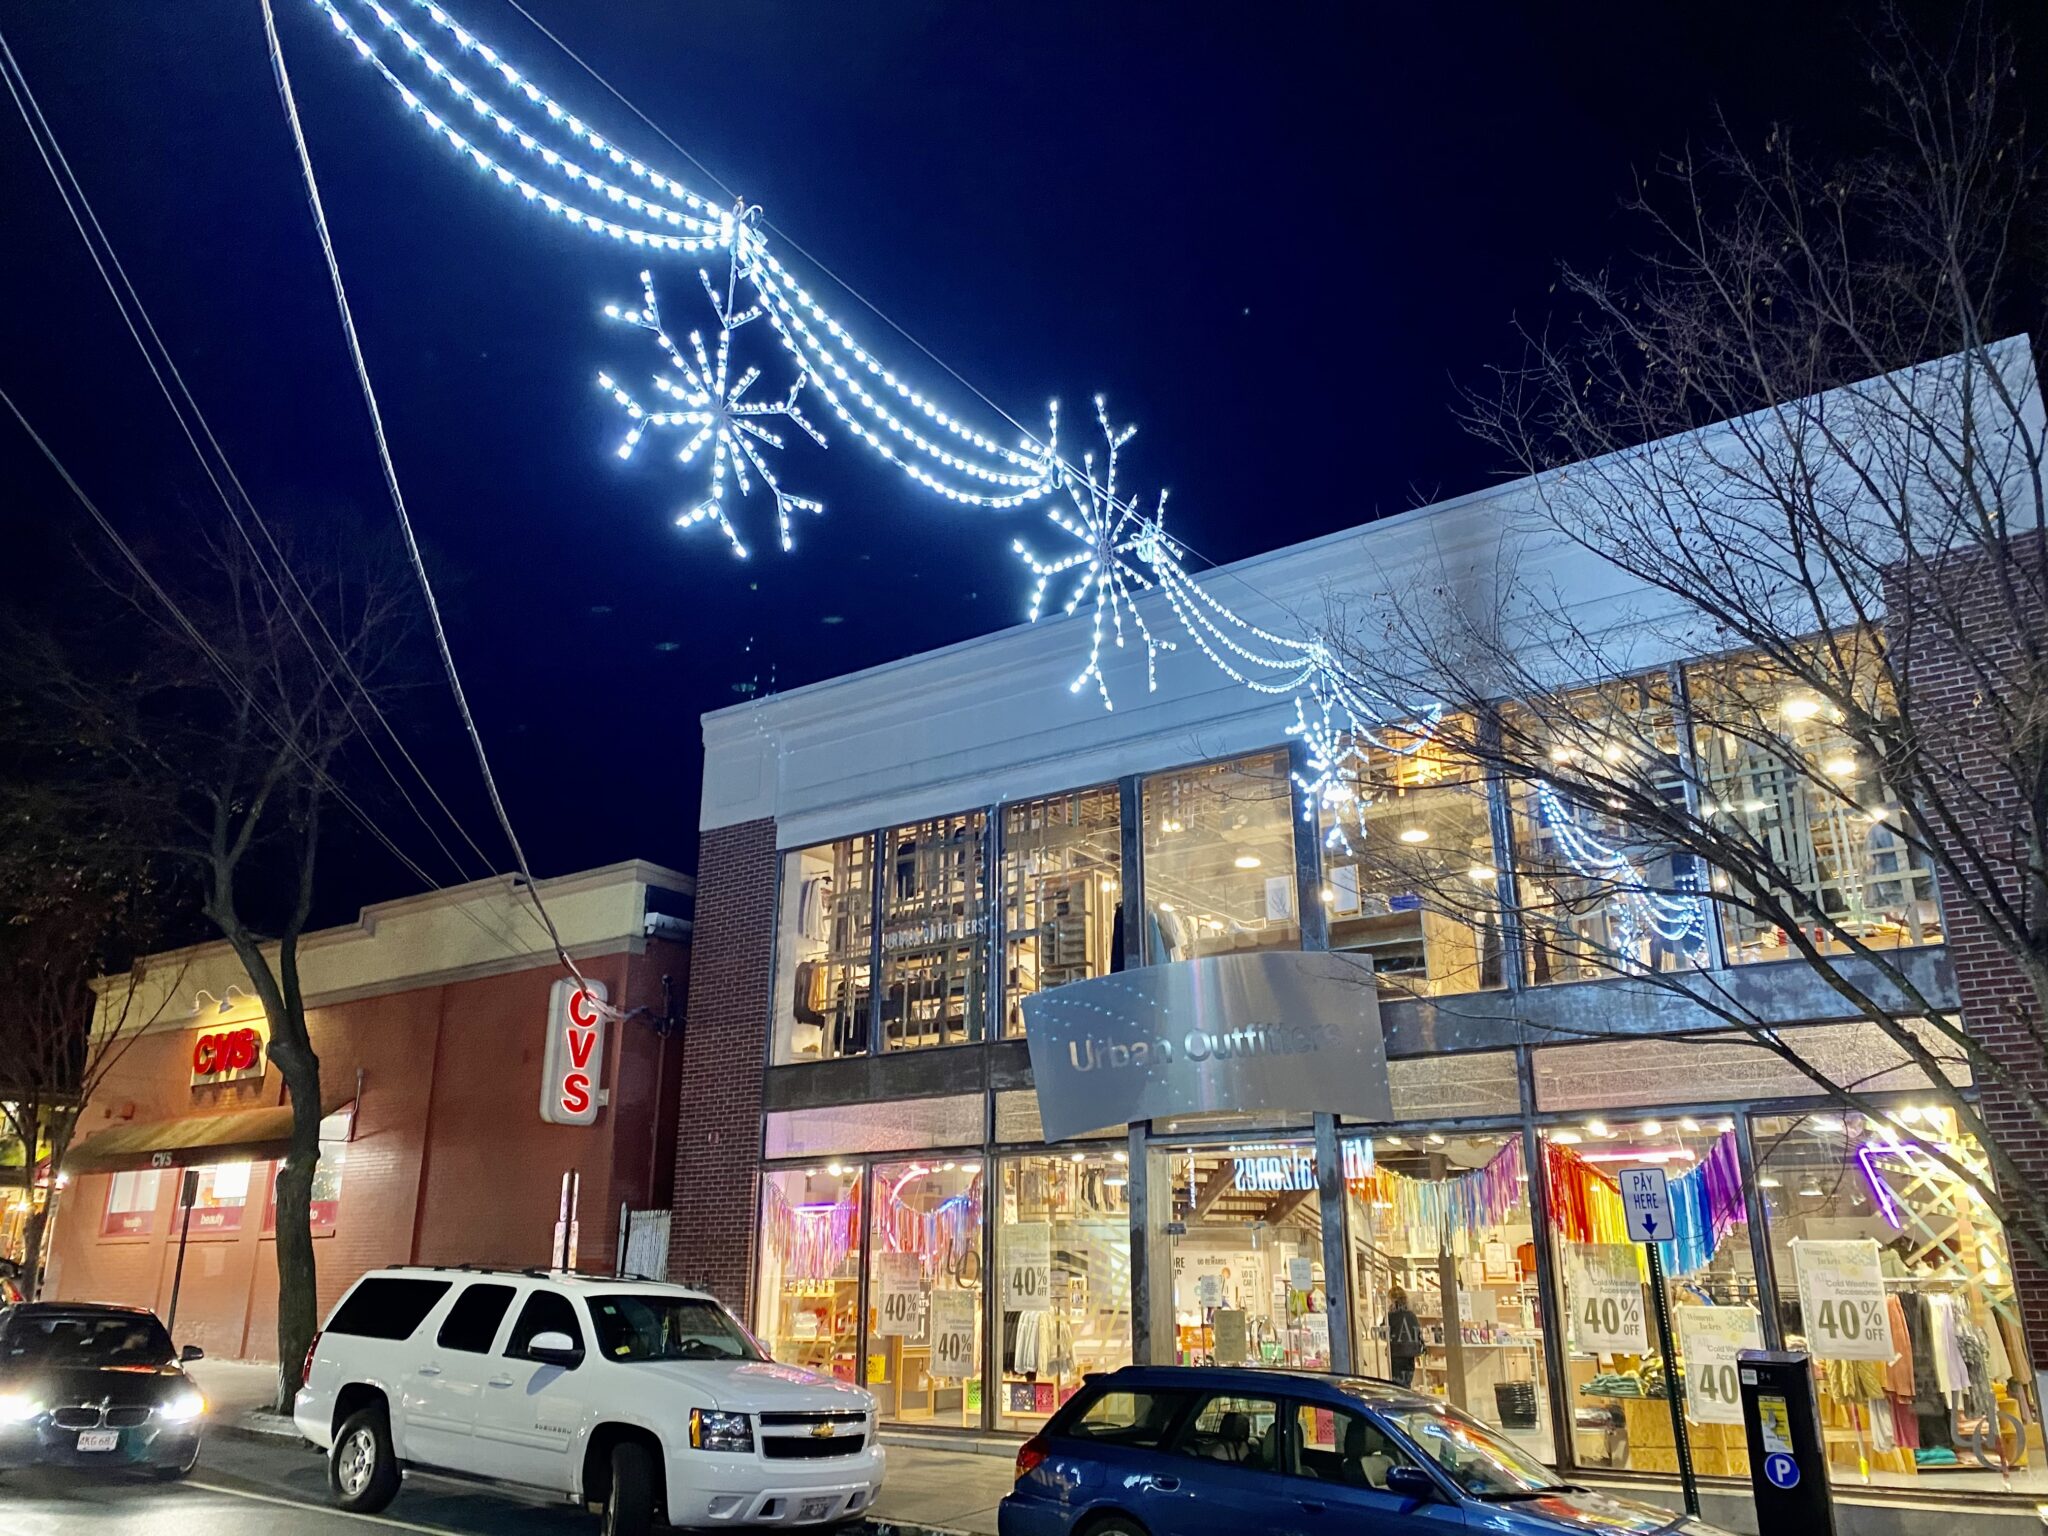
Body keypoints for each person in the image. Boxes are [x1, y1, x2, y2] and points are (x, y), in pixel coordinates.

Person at [1386, 1286, 1424, 1387]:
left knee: (1397, 1387)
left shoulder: (1391, 1316)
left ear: (1393, 1300)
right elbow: (1418, 1334)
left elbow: (1383, 1333)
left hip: (1396, 1356)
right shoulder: (1411, 1315)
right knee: (1406, 1385)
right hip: (1410, 1356)